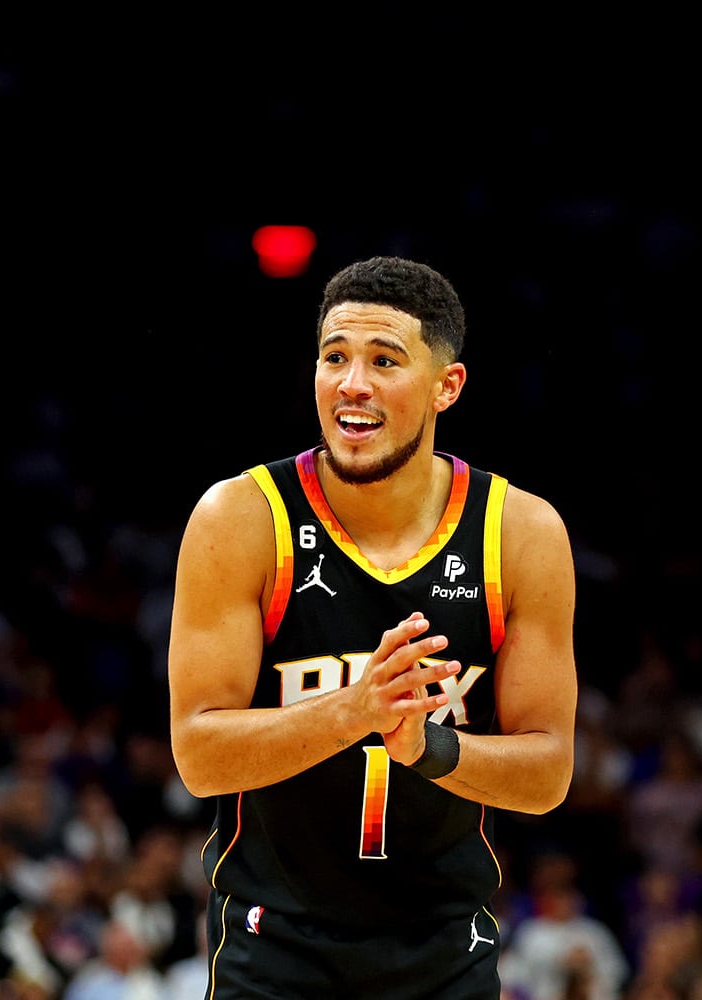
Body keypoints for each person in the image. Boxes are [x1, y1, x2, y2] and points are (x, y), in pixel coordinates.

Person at [167, 255, 578, 999]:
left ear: (447, 386)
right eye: (335, 358)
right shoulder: (242, 518)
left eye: (384, 361)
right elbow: (198, 756)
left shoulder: (519, 533)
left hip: (446, 951)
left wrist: (428, 747)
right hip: (274, 948)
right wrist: (353, 711)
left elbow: (547, 774)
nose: (351, 383)